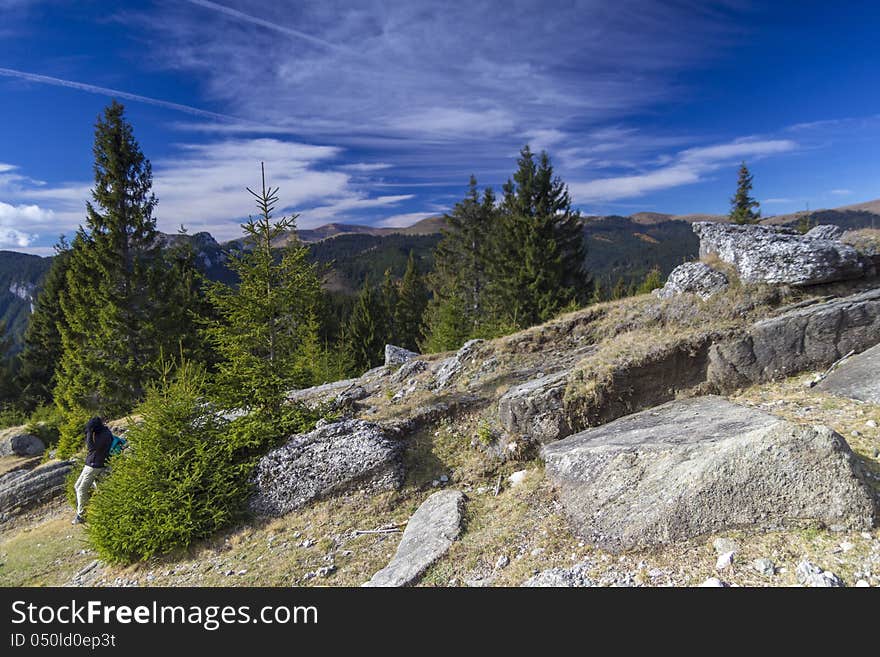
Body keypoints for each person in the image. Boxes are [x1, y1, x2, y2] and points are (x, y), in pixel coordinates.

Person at [72, 416, 113, 525]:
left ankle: (81, 515)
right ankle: (95, 508)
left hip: (95, 465)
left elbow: (91, 447)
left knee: (81, 489)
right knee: (77, 486)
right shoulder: (104, 432)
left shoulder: (103, 435)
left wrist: (89, 433)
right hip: (91, 464)